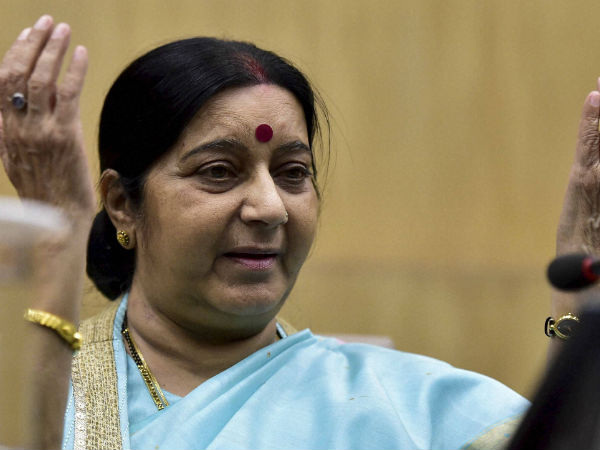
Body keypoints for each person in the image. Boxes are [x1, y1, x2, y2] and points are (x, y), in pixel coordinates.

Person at [0, 14, 595, 450]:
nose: (270, 208)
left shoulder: (415, 408)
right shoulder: (35, 390)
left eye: (292, 173)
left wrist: (578, 304)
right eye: (218, 171)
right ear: (122, 205)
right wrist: (56, 248)